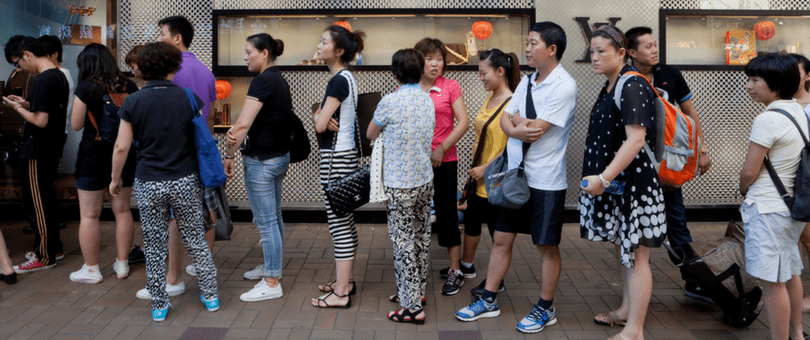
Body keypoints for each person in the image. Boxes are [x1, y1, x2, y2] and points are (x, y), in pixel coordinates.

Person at [455, 22, 577, 335]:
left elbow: (536, 131)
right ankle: (489, 299)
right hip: (515, 175)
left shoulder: (564, 85)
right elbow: (511, 120)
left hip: (546, 181)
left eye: (533, 43)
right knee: (501, 238)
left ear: (551, 49)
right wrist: (516, 126)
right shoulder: (527, 81)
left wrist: (517, 124)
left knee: (546, 245)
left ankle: (545, 307)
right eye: (527, 42)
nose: (526, 48)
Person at [110, 41, 219, 322]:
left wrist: (115, 178)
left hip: (148, 181)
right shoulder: (188, 97)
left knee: (155, 243)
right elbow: (201, 134)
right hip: (184, 178)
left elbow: (121, 147)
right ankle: (210, 296)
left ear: (143, 68)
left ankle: (159, 305)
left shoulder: (132, 101)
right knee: (195, 238)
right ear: (174, 65)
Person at [580, 25, 665, 340]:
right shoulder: (612, 84)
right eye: (592, 51)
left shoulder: (631, 85)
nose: (595, 57)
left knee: (638, 253)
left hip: (636, 186)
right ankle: (626, 311)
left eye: (602, 51)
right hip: (621, 185)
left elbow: (636, 139)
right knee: (625, 249)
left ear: (622, 53)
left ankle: (635, 330)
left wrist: (604, 177)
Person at [625, 26, 713, 301]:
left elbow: (690, 113)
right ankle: (637, 288)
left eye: (655, 44)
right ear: (631, 52)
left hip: (668, 164)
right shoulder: (627, 77)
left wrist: (701, 150)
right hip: (635, 165)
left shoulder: (670, 75)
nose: (654, 49)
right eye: (648, 46)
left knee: (677, 223)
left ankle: (694, 281)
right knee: (636, 226)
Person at [135, 15, 219, 300]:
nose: (159, 38)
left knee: (172, 222)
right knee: (202, 218)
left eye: (162, 33)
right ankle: (203, 271)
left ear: (176, 38)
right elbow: (209, 120)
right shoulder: (206, 72)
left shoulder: (171, 72)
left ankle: (173, 278)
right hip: (197, 157)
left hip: (168, 160)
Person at [739, 53, 807, 340]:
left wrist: (743, 188)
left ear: (776, 84)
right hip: (791, 207)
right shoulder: (798, 111)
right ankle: (796, 333)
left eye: (755, 80)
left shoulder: (767, 119)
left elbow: (749, 171)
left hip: (768, 209)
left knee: (772, 283)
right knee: (790, 273)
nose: (749, 86)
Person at [367, 48, 435, 324]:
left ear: (394, 73)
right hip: (424, 179)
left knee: (403, 242)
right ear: (420, 72)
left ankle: (412, 308)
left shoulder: (389, 102)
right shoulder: (427, 100)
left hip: (400, 184)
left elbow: (371, 133)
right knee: (421, 237)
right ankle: (415, 293)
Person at [223, 33, 291, 302]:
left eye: (249, 51)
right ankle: (271, 266)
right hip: (277, 158)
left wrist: (229, 152)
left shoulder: (263, 80)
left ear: (264, 53)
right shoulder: (279, 79)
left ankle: (272, 281)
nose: (244, 56)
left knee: (267, 222)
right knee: (273, 217)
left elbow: (241, 125)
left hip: (262, 162)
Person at [68, 43, 138, 284]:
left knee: (89, 215)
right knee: (122, 210)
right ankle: (123, 264)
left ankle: (91, 269)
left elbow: (76, 124)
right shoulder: (129, 86)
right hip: (124, 156)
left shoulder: (86, 88)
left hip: (92, 156)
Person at [2, 35, 69, 274]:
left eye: (17, 62)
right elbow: (47, 111)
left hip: (37, 148)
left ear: (27, 54)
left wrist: (18, 108)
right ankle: (54, 248)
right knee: (47, 201)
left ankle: (44, 255)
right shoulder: (58, 75)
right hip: (51, 147)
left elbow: (40, 121)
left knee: (38, 204)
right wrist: (27, 103)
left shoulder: (43, 80)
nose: (19, 67)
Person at [311, 24, 366, 309]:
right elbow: (323, 118)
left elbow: (320, 124)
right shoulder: (346, 77)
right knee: (344, 220)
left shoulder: (337, 81)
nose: (319, 46)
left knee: (338, 223)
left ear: (339, 51)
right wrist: (321, 115)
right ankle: (347, 280)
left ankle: (341, 292)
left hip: (336, 158)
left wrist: (319, 115)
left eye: (324, 42)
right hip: (346, 156)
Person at [461, 48, 520, 297]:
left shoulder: (513, 104)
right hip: (479, 178)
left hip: (497, 180)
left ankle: (497, 280)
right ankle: (466, 267)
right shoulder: (490, 98)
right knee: (472, 222)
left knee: (499, 234)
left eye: (483, 73)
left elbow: (513, 145)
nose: (481, 78)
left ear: (500, 71)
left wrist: (486, 168)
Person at [413, 38, 470, 296]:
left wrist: (442, 148)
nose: (435, 63)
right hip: (416, 163)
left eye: (439, 58)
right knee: (417, 214)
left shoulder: (450, 87)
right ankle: (414, 269)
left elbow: (463, 123)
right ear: (418, 61)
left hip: (445, 160)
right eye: (429, 58)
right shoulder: (410, 87)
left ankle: (455, 270)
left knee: (447, 214)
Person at [789, 53, 810, 314]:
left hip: (805, 182)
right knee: (792, 241)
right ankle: (796, 293)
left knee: (807, 238)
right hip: (786, 182)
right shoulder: (782, 103)